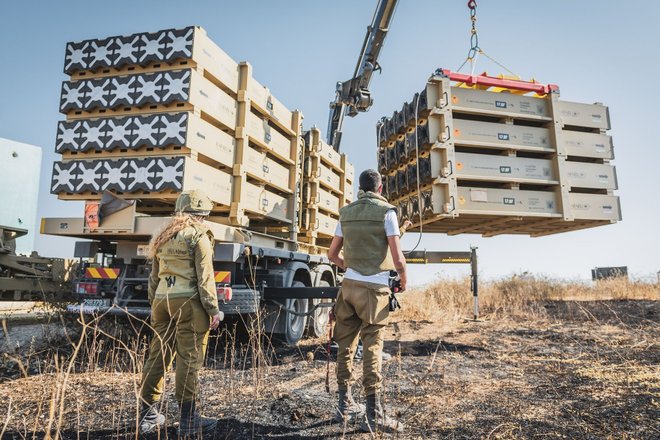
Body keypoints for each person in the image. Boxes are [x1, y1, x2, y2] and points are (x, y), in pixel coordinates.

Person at [327, 169, 407, 433]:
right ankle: (374, 415)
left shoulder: (346, 213)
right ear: (380, 188)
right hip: (375, 290)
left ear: (360, 189)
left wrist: (350, 268)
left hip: (347, 287)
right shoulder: (387, 212)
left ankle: (344, 406)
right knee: (372, 345)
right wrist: (403, 279)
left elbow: (332, 254)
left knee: (345, 346)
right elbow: (397, 258)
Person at [138, 190, 223, 436]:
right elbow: (205, 279)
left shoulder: (163, 236)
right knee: (188, 358)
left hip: (161, 302)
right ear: (202, 215)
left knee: (158, 354)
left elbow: (153, 279)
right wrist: (213, 310)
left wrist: (154, 304)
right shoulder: (199, 236)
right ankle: (188, 419)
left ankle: (148, 414)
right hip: (188, 303)